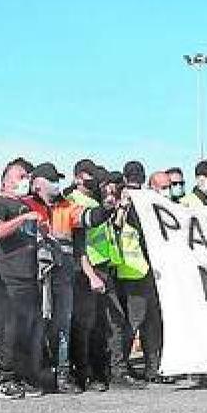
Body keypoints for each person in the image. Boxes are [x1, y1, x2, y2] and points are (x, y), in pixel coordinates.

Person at [65, 165, 134, 390]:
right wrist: (91, 274)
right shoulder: (72, 202)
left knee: (105, 324)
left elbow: (112, 227)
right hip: (88, 270)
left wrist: (119, 208)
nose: (95, 181)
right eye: (90, 176)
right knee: (84, 325)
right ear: (78, 178)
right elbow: (79, 245)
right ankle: (81, 375)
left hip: (103, 266)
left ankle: (102, 374)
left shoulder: (95, 202)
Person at [25, 162, 83, 394]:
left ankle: (62, 375)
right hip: (35, 278)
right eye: (52, 180)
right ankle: (37, 375)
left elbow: (87, 218)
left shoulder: (67, 206)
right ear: (38, 183)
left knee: (62, 328)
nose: (57, 184)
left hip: (63, 277)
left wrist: (107, 209)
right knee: (37, 327)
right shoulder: (26, 205)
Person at [0, 160, 43, 399]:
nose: (25, 181)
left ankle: (21, 376)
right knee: (9, 330)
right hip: (8, 276)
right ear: (6, 179)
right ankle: (5, 379)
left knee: (25, 330)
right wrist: (23, 219)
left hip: (30, 275)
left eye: (27, 177)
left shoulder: (25, 204)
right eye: (20, 176)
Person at [111, 170, 166, 383]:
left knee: (152, 322)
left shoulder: (153, 204)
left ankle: (154, 369)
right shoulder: (124, 204)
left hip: (151, 273)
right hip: (131, 272)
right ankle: (119, 369)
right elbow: (116, 227)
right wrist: (123, 205)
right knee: (132, 322)